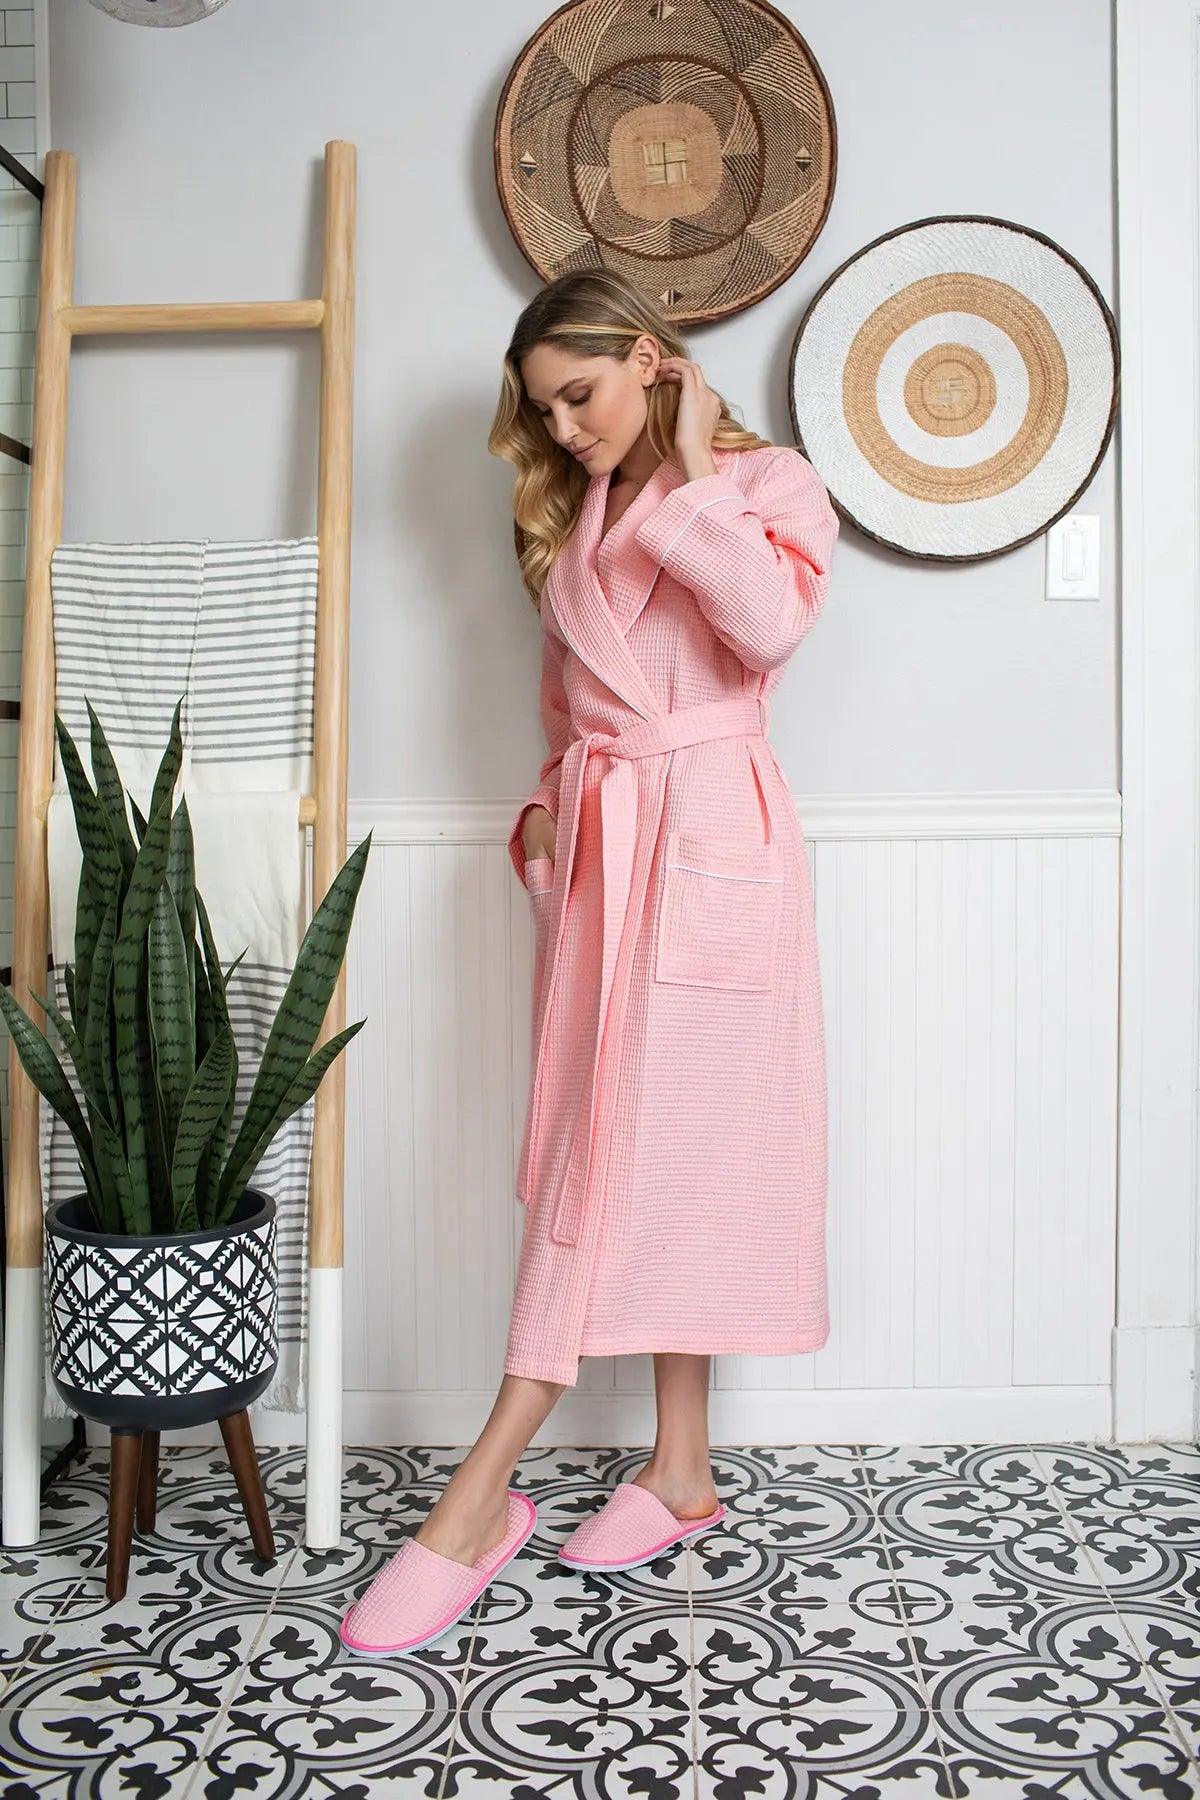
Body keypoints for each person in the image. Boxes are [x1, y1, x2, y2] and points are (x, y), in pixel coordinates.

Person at [340, 269, 840, 1658]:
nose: (562, 430)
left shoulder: (770, 485)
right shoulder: (578, 522)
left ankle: (478, 1496)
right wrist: (552, 819)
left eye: (580, 393)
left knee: (671, 1163)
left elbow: (768, 627)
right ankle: (681, 1473)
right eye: (545, 410)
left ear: (650, 357)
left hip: (719, 845)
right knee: (604, 1157)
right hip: (612, 862)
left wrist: (688, 471)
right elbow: (567, 697)